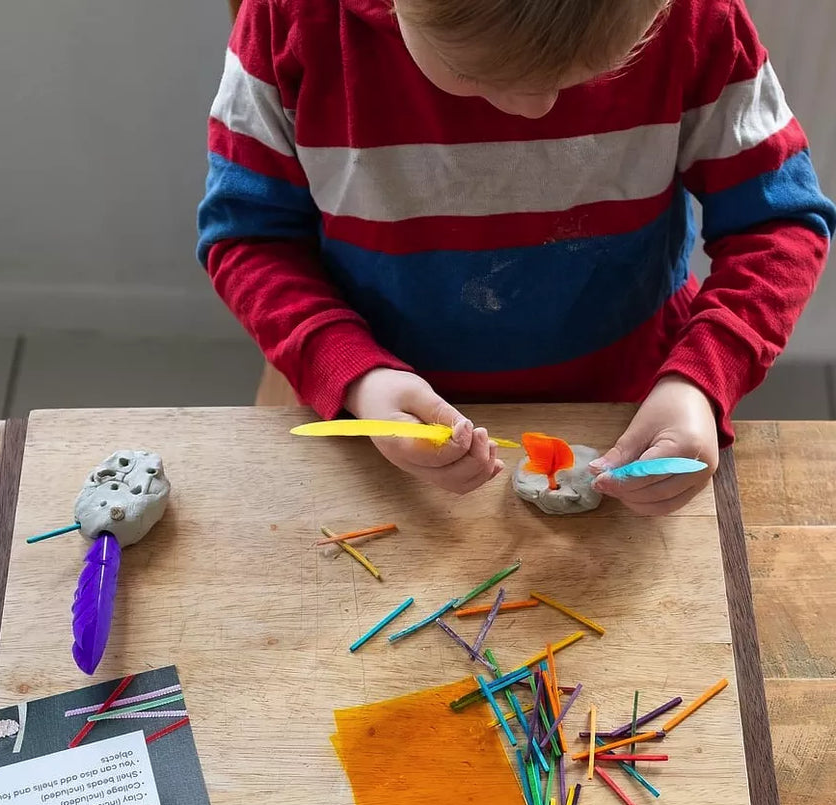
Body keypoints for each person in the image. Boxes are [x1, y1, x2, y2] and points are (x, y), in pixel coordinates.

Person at [197, 0, 834, 514]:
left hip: (631, 403)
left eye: (592, 69)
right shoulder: (290, 22)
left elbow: (778, 223)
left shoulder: (696, 17)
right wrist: (357, 375)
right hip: (377, 415)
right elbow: (249, 237)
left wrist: (700, 379)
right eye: (475, 76)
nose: (536, 108)